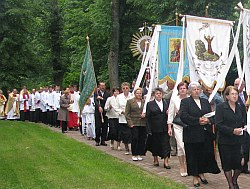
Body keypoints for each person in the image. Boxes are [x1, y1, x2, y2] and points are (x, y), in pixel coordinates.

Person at [179, 81, 220, 188]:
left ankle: (201, 173)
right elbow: (183, 116)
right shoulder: (185, 102)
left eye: (198, 89)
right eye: (194, 89)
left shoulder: (205, 101)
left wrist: (208, 120)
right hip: (192, 134)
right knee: (193, 155)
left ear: (201, 90)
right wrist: (198, 120)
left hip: (205, 133)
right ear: (190, 91)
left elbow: (213, 115)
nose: (196, 91)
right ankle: (195, 176)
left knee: (203, 154)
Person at [215, 86, 246, 189]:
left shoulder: (240, 106)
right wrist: (232, 131)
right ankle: (231, 185)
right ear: (227, 96)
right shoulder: (220, 107)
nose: (235, 96)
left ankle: (234, 179)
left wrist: (244, 127)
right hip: (225, 141)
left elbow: (244, 121)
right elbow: (218, 125)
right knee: (227, 163)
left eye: (236, 94)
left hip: (238, 140)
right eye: (232, 94)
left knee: (240, 163)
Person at [146, 87, 171, 168]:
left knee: (166, 144)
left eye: (160, 93)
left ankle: (166, 161)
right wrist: (148, 129)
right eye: (157, 94)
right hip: (155, 128)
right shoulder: (150, 104)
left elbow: (170, 115)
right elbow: (148, 118)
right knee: (155, 144)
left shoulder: (166, 102)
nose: (159, 95)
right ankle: (155, 159)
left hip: (165, 127)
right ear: (154, 95)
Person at [167, 82, 188, 176]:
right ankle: (183, 165)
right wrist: (169, 127)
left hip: (189, 125)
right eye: (181, 88)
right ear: (178, 90)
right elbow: (171, 113)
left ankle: (184, 166)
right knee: (182, 145)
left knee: (181, 148)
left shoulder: (190, 99)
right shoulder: (174, 100)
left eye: (184, 88)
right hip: (178, 125)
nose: (183, 90)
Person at [125, 87, 146, 161]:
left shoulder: (144, 102)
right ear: (134, 94)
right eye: (137, 93)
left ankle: (140, 153)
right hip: (134, 123)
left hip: (143, 123)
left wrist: (145, 115)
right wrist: (130, 123)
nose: (139, 94)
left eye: (140, 93)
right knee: (135, 138)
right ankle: (134, 153)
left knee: (141, 138)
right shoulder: (130, 102)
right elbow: (127, 113)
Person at [234, 78, 250, 174]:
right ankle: (238, 166)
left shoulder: (247, 95)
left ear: (243, 85)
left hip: (248, 124)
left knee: (246, 146)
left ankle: (245, 167)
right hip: (240, 125)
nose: (237, 86)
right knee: (241, 147)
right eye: (235, 84)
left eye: (239, 84)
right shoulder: (233, 96)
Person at [115, 82, 133, 154]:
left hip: (131, 117)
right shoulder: (119, 97)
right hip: (122, 117)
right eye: (123, 88)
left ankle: (132, 146)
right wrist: (121, 111)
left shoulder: (132, 96)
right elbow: (116, 107)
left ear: (129, 89)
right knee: (125, 134)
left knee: (131, 133)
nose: (125, 89)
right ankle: (126, 148)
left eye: (127, 88)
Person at [94, 82, 110, 146]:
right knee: (98, 127)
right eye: (101, 86)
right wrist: (99, 107)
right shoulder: (96, 93)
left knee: (105, 127)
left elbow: (107, 101)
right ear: (99, 86)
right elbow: (95, 101)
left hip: (105, 112)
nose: (102, 87)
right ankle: (97, 140)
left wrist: (102, 99)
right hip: (98, 112)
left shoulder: (107, 93)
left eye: (104, 86)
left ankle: (103, 140)